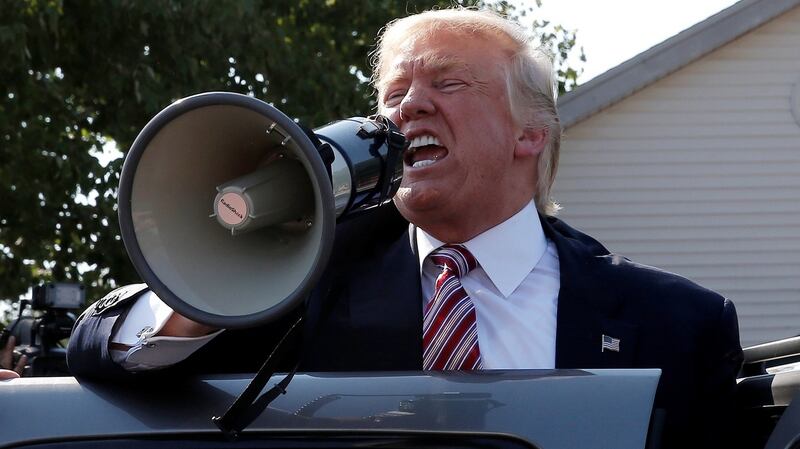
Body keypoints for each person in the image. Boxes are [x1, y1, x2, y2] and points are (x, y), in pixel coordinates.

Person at [67, 8, 743, 448]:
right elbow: (100, 352)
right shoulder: (303, 291)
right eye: (393, 96)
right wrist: (211, 280)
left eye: (448, 84)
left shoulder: (678, 323)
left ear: (530, 133)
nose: (409, 108)